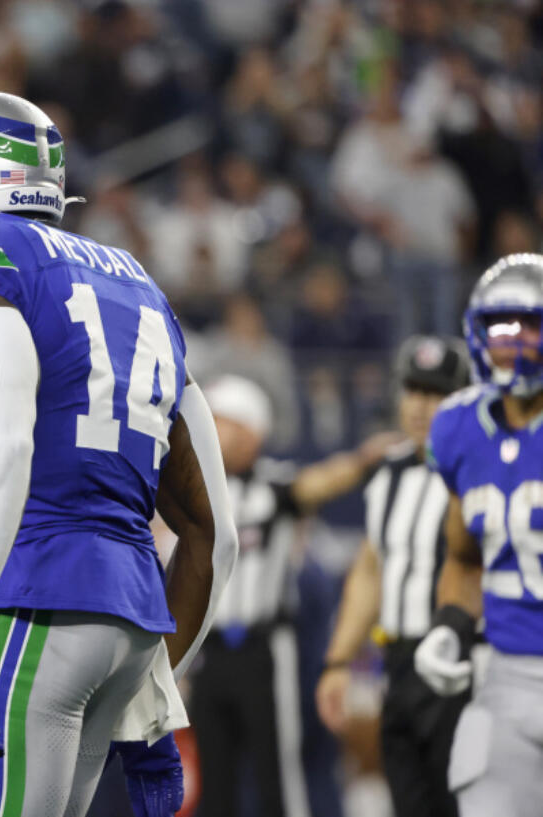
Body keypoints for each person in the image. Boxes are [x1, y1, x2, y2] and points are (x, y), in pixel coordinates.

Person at [0, 91, 238, 817]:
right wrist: (157, 696)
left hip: (28, 604)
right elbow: (216, 534)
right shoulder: (136, 280)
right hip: (128, 627)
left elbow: (9, 425)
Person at [188, 374, 401, 817]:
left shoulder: (274, 486)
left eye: (224, 421)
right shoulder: (195, 490)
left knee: (277, 777)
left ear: (252, 430)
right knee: (215, 779)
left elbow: (318, 482)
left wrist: (364, 459)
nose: (214, 431)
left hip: (263, 650)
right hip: (209, 654)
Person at [316, 336, 470, 817]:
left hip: (458, 668)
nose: (421, 406)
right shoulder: (388, 473)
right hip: (397, 666)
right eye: (412, 390)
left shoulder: (474, 470)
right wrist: (339, 660)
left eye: (435, 393)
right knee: (408, 801)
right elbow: (371, 570)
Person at [414, 253, 543, 816]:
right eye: (500, 326)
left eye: (529, 325)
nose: (512, 341)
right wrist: (450, 623)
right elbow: (464, 557)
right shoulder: (458, 425)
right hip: (508, 675)